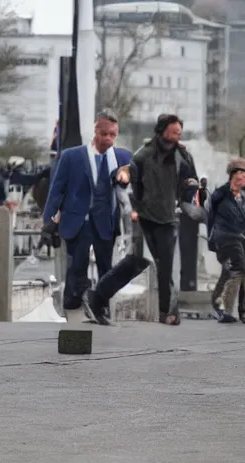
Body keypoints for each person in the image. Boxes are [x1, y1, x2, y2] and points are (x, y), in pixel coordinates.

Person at [82, 113, 199, 326]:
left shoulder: (183, 156)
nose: (176, 137)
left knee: (165, 266)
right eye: (173, 133)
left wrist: (190, 187)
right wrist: (122, 177)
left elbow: (190, 181)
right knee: (136, 262)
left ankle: (168, 312)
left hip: (167, 218)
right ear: (162, 132)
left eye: (179, 133)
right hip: (144, 217)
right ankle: (97, 297)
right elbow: (125, 177)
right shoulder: (144, 155)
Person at [41, 110, 133, 310]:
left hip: (106, 222)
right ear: (95, 130)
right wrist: (48, 221)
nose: (108, 139)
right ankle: (73, 307)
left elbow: (138, 178)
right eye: (104, 133)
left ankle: (102, 307)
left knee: (106, 269)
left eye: (113, 135)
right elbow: (57, 189)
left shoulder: (123, 157)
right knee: (76, 268)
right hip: (78, 222)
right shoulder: (71, 157)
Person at [207, 158, 245, 323]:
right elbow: (212, 209)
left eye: (244, 173)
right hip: (229, 237)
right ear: (231, 175)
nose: (241, 177)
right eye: (238, 173)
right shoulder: (221, 194)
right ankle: (225, 309)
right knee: (235, 271)